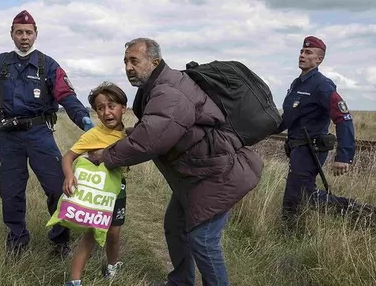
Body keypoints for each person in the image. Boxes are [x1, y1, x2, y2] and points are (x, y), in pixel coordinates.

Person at [97, 38, 263, 286]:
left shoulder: (168, 91)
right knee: (175, 227)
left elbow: (151, 139)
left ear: (155, 61)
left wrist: (107, 156)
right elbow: (163, 129)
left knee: (204, 241)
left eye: (134, 60)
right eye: (125, 61)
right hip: (195, 174)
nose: (129, 67)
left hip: (214, 175)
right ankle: (181, 281)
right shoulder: (159, 87)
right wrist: (134, 134)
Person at [0, 10, 94, 258]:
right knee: (11, 191)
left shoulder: (48, 65)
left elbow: (67, 96)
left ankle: (60, 240)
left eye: (29, 32)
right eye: (19, 32)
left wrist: (85, 121)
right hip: (9, 138)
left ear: (36, 34)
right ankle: (17, 240)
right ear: (11, 34)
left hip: (39, 133)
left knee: (56, 187)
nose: (24, 37)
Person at [277, 35, 374, 228]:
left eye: (308, 52)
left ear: (319, 59)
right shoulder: (297, 84)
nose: (302, 55)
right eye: (302, 51)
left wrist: (344, 156)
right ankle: (360, 213)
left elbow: (343, 118)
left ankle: (361, 213)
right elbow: (287, 119)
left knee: (299, 196)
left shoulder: (322, 85)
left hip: (311, 148)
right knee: (301, 194)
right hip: (297, 149)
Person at [62, 82, 129, 286]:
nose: (107, 112)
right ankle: (74, 281)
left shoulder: (130, 134)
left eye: (112, 106)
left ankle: (112, 267)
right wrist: (68, 175)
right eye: (100, 108)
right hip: (97, 193)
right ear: (96, 112)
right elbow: (68, 156)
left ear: (123, 107)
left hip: (118, 192)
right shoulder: (93, 135)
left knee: (114, 235)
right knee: (90, 234)